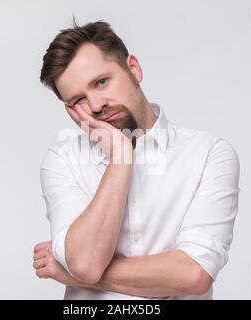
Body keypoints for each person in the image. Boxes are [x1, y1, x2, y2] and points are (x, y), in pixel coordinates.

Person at [32, 20, 240, 300]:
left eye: (101, 82)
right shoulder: (63, 160)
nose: (95, 106)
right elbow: (86, 263)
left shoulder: (209, 154)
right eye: (78, 100)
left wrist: (68, 272)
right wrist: (120, 158)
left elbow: (193, 274)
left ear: (134, 69)